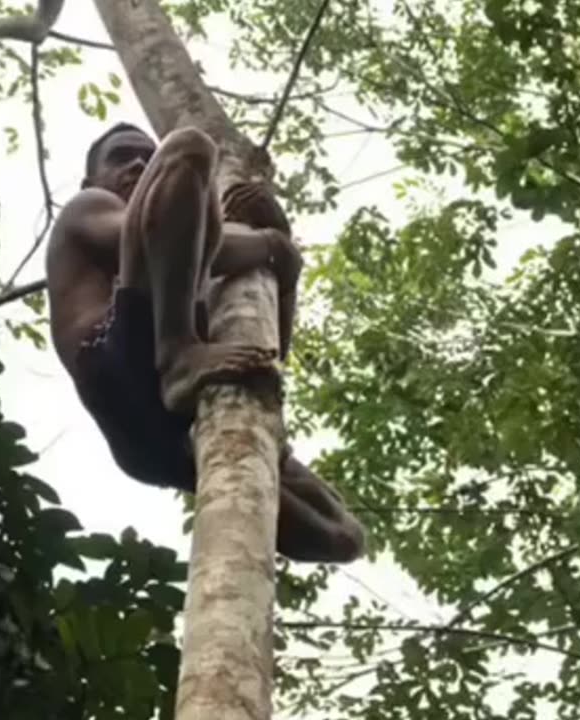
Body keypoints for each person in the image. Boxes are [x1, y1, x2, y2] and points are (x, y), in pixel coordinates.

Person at [45, 122, 365, 563]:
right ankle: (178, 351)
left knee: (343, 537)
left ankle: (191, 361)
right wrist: (272, 241)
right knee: (189, 148)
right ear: (90, 179)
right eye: (121, 157)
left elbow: (263, 348)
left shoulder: (182, 266)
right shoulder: (88, 208)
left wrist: (283, 268)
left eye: (143, 155)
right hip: (118, 366)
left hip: (166, 437)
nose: (138, 163)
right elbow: (187, 241)